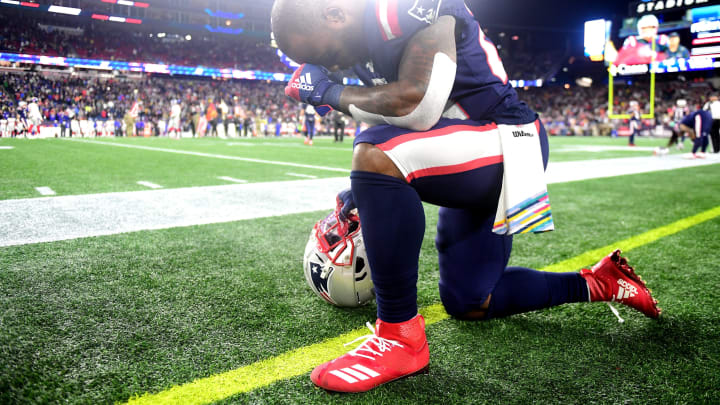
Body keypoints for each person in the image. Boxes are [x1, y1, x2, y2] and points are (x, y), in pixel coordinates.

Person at [272, 0, 661, 393]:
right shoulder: (356, 44)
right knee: (472, 300)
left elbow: (417, 105)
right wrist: (363, 182)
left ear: (335, 15)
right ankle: (599, 283)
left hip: (508, 140)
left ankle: (399, 338)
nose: (332, 66)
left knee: (376, 156)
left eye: (326, 55)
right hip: (470, 148)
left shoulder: (403, 8)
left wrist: (327, 91)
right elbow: (380, 115)